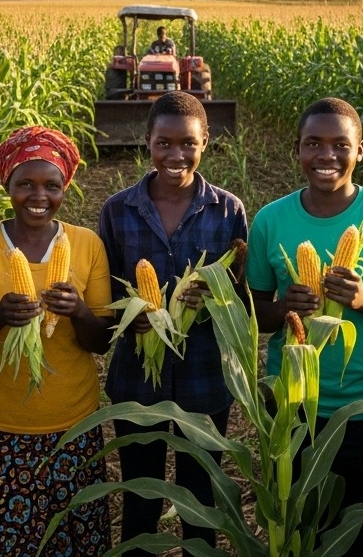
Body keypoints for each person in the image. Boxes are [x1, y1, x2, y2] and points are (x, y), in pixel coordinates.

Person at [247, 97, 363, 557]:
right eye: (313, 144)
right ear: (297, 151)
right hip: (291, 409)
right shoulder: (271, 220)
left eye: (339, 144)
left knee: (362, 538)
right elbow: (254, 312)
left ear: (361, 150)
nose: (326, 156)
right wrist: (285, 306)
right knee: (296, 532)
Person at [0, 126, 113, 557]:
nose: (38, 196)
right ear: (7, 185)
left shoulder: (87, 244)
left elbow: (102, 342)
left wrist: (78, 310)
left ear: (66, 188)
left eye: (51, 186)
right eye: (26, 184)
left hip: (71, 425)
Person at [97, 91, 248, 552]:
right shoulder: (117, 210)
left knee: (199, 497)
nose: (176, 155)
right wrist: (132, 319)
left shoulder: (228, 211)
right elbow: (107, 295)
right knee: (140, 495)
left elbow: (242, 299)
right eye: (164, 143)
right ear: (148, 142)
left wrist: (215, 298)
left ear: (205, 142)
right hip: (137, 380)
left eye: (188, 143)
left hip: (204, 378)